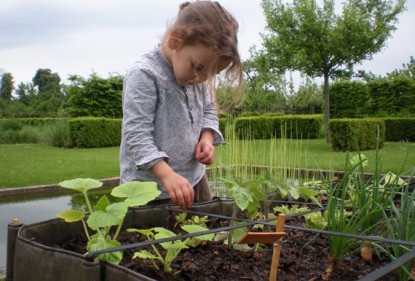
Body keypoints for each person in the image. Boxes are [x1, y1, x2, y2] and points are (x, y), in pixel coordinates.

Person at [119, 0, 243, 209]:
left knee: (204, 237)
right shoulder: (144, 74)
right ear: (176, 40)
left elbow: (209, 109)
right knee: (155, 240)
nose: (202, 79)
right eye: (198, 67)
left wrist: (206, 137)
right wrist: (167, 175)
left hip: (194, 180)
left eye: (211, 74)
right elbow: (136, 135)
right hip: (149, 192)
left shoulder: (198, 75)